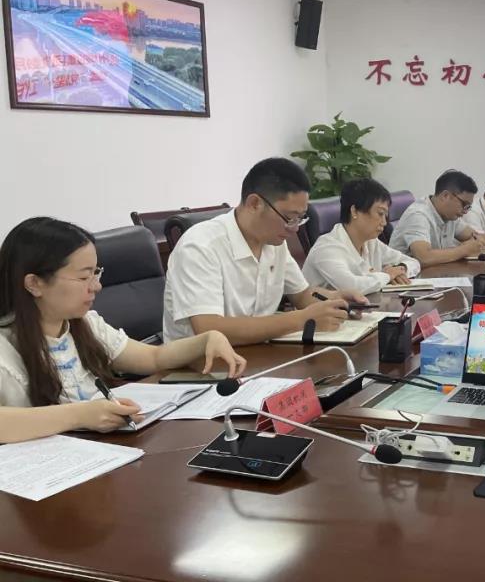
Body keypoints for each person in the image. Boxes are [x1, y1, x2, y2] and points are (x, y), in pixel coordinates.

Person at [0, 218, 246, 444]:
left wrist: (205, 340)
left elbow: (153, 357)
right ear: (34, 284)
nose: (96, 286)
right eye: (84, 277)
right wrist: (80, 415)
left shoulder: (85, 324)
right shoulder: (5, 348)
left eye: (96, 273)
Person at [163, 158, 367, 345]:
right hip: (198, 367)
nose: (295, 228)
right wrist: (301, 319)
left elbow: (302, 295)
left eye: (300, 218)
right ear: (255, 204)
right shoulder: (200, 247)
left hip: (259, 354)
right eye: (289, 217)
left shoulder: (274, 241)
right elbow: (208, 329)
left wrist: (335, 299)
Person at [303, 178, 420, 295]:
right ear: (354, 211)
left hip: (365, 304)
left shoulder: (371, 242)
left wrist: (401, 269)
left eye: (385, 215)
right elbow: (353, 287)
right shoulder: (327, 248)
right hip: (323, 307)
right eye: (380, 213)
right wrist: (388, 275)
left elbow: (414, 262)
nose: (384, 222)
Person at [388, 169, 485, 266]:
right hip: (405, 275)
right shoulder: (418, 215)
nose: (465, 211)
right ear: (445, 196)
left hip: (436, 272)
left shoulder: (450, 215)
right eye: (464, 204)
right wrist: (464, 250)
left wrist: (477, 242)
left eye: (468, 207)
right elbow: (424, 258)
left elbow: (473, 235)